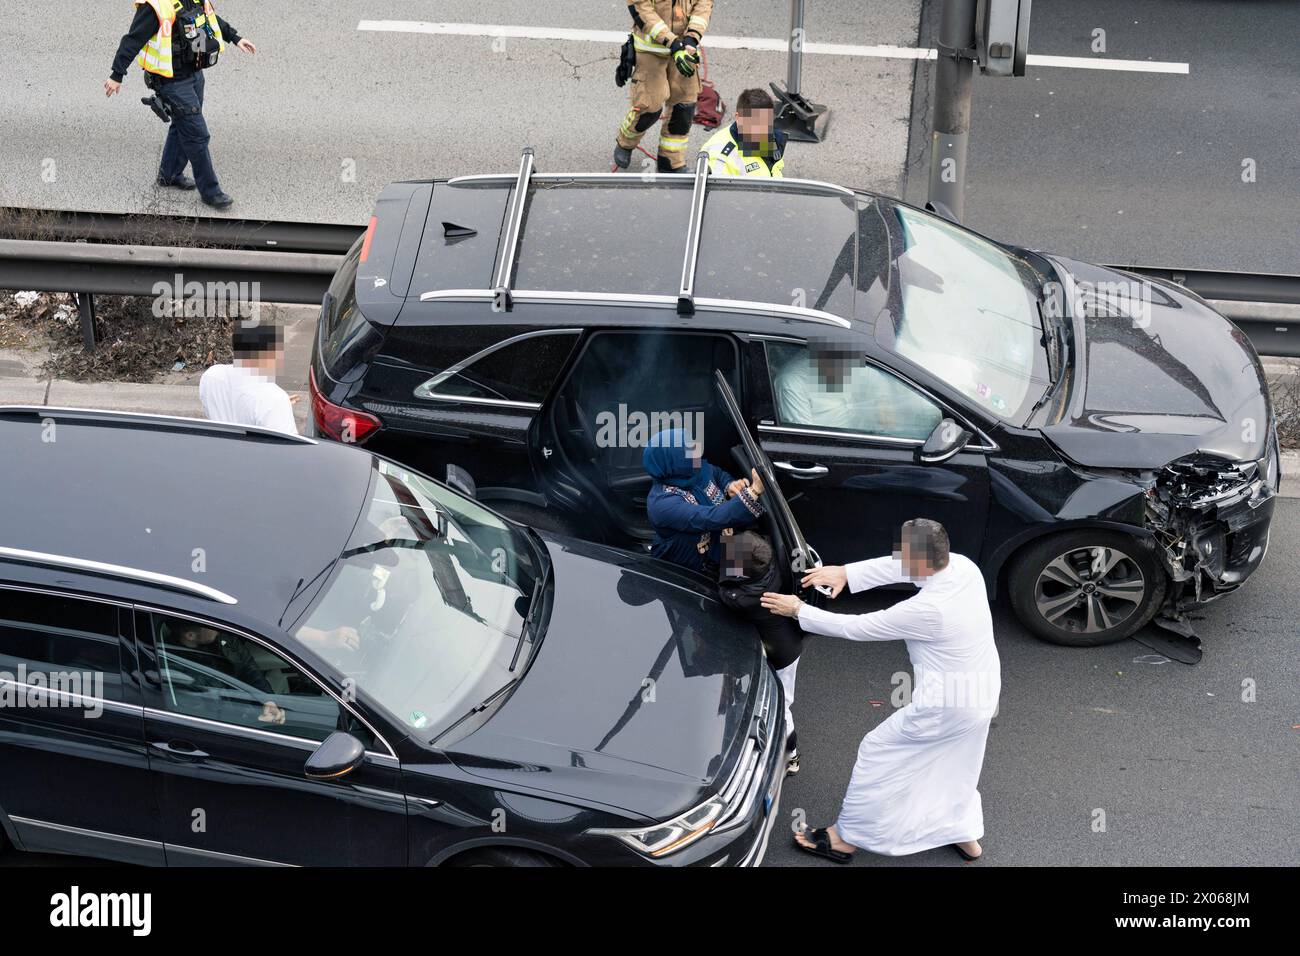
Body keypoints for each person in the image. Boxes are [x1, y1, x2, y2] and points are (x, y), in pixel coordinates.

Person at [760, 518, 1001, 863]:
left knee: (878, 750)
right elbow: (901, 567)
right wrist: (846, 573)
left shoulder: (928, 610)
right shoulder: (963, 567)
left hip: (946, 707)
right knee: (956, 763)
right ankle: (963, 833)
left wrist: (799, 610)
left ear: (919, 559)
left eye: (902, 553)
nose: (896, 557)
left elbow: (858, 627)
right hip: (983, 694)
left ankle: (845, 837)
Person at [106, 0, 258, 210]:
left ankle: (169, 175)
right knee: (197, 134)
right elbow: (132, 40)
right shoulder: (155, 7)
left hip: (195, 74)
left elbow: (209, 19)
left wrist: (235, 37)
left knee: (182, 125)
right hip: (172, 81)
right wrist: (117, 74)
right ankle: (211, 192)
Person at [717, 531, 804, 775]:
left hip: (779, 655)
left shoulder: (745, 599)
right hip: (790, 644)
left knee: (781, 706)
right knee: (785, 698)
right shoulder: (771, 569)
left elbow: (724, 591)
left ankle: (792, 757)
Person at [643, 428, 764, 575]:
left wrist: (730, 486)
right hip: (693, 565)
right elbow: (711, 517)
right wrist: (754, 490)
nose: (696, 450)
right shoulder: (663, 504)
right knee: (745, 586)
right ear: (673, 460)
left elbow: (717, 474)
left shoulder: (692, 469)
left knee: (762, 560)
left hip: (719, 542)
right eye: (687, 449)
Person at [613, 0, 714, 172]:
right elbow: (642, 10)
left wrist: (691, 38)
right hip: (651, 52)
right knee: (649, 108)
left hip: (684, 52)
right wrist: (673, 43)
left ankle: (670, 161)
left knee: (683, 109)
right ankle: (626, 142)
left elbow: (703, 5)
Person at [199, 322, 299, 435]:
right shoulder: (275, 399)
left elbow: (235, 400)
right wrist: (279, 406)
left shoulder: (211, 376)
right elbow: (284, 447)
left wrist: (278, 405)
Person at [701, 87, 787, 177]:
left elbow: (776, 167)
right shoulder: (721, 158)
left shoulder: (770, 135)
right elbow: (718, 189)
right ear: (738, 118)